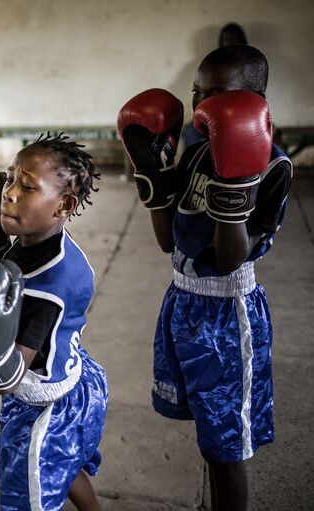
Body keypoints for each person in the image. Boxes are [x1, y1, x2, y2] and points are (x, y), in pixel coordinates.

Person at [118, 45, 292, 511]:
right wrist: (150, 172)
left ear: (255, 101)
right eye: (198, 93)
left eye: (218, 96)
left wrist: (235, 187)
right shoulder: (193, 148)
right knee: (204, 432)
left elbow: (231, 258)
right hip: (182, 299)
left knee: (226, 448)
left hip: (228, 314)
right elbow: (166, 242)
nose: (202, 107)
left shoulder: (272, 166)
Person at [0, 134, 108, 510]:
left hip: (43, 408)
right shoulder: (41, 240)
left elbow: (9, 377)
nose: (9, 193)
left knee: (28, 494)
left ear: (63, 204)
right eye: (9, 178)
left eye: (28, 186)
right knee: (67, 468)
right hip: (77, 378)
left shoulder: (47, 290)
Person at [183, 22, 249, 148]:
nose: (230, 43)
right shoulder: (213, 64)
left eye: (234, 39)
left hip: (242, 116)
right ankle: (196, 165)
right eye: (226, 39)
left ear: (242, 41)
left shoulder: (249, 64)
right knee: (191, 131)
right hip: (214, 114)